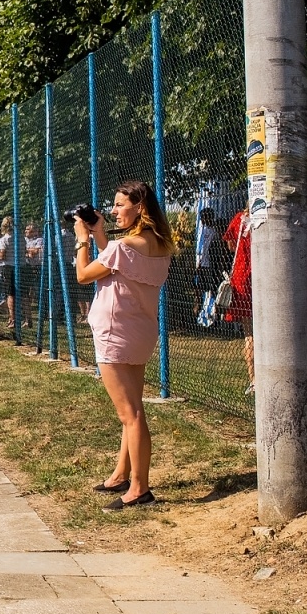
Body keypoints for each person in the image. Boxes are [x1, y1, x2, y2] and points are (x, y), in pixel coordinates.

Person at [74, 180, 174, 510]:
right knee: (133, 408)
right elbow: (118, 263)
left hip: (114, 333)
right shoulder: (160, 244)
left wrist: (83, 240)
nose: (114, 210)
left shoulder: (123, 246)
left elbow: (84, 274)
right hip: (140, 330)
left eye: (120, 205)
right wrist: (101, 233)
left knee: (130, 414)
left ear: (139, 207)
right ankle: (122, 474)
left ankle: (140, 489)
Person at [224, 208, 254, 394]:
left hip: (242, 277)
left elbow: (230, 244)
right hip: (260, 273)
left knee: (249, 333)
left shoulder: (240, 218)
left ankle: (253, 379)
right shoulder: (266, 217)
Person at [0, 217, 17, 327]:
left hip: (8, 267)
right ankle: (28, 319)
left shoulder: (5, 238)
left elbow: (2, 256)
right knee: (24, 294)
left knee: (10, 293)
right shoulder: (20, 237)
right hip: (21, 265)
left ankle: (12, 318)